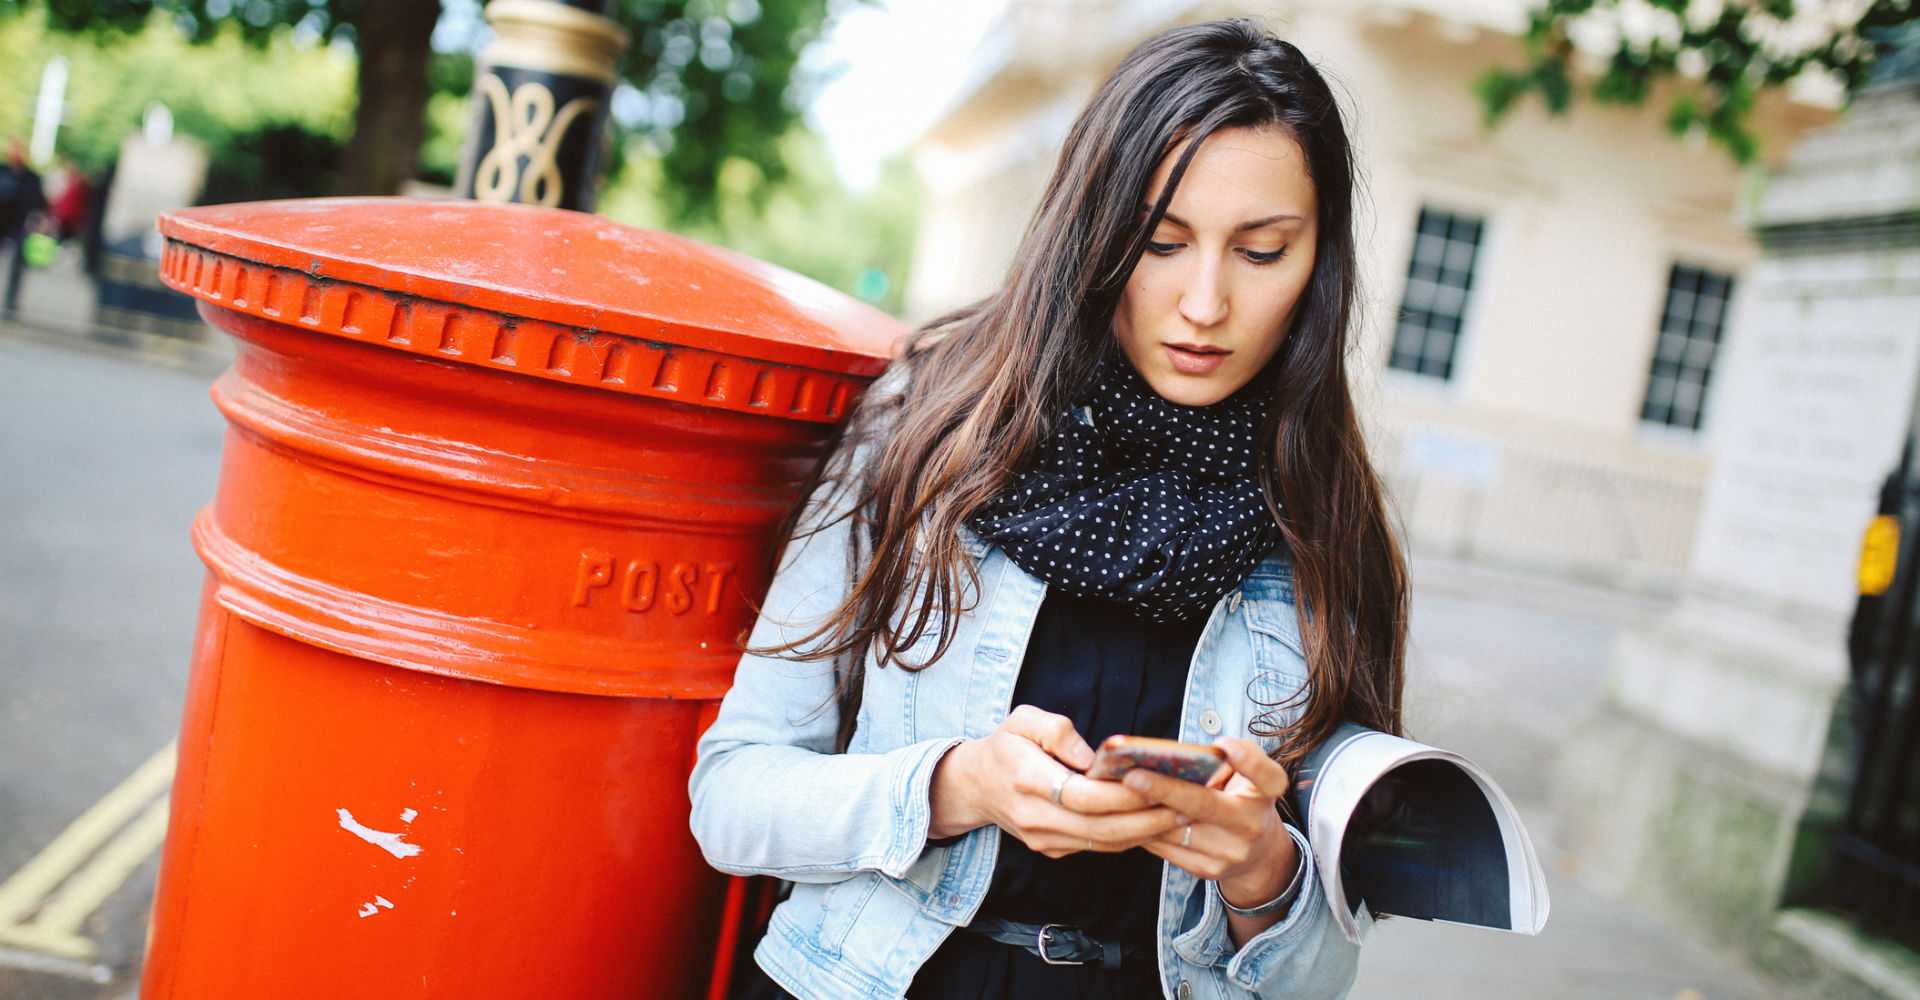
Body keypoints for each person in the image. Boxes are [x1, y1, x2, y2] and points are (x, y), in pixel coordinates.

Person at [690, 18, 1407, 1000]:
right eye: (1161, 242)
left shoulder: (1328, 523)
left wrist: (1262, 877)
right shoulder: (932, 427)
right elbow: (730, 798)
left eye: (1262, 250)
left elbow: (1317, 976)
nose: (1204, 303)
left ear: (1317, 264)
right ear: (1096, 231)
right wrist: (953, 787)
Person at [1, 136, 48, 320]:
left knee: (18, 265)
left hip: (20, 223)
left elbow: (40, 202)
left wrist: (39, 221)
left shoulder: (31, 178)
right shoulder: (3, 171)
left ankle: (11, 302)